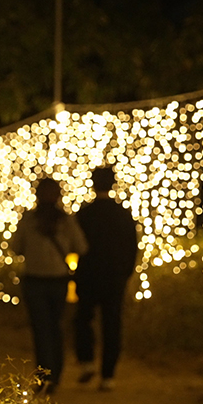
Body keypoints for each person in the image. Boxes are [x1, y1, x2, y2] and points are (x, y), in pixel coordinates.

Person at [13, 178, 87, 394]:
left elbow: (16, 248)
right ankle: (55, 375)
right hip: (58, 280)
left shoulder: (29, 220)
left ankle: (44, 377)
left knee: (41, 330)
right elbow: (82, 247)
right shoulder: (66, 221)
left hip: (35, 280)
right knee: (56, 328)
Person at [73, 166, 139, 391]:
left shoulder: (84, 213)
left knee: (83, 318)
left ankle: (87, 361)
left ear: (93, 184)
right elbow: (132, 247)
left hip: (88, 274)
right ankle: (108, 375)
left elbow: (74, 244)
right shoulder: (122, 214)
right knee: (112, 323)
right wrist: (125, 272)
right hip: (114, 276)